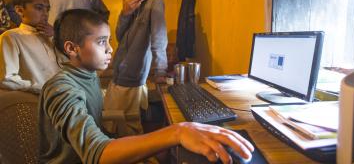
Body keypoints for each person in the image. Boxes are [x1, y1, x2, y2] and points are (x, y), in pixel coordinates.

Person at [38, 9, 254, 164]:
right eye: (102, 42)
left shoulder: (88, 76)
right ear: (72, 48)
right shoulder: (62, 89)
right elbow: (97, 154)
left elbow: (98, 134)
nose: (110, 50)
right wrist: (177, 132)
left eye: (110, 41)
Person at [104, 0, 168, 135]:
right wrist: (125, 13)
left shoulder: (155, 2)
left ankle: (133, 155)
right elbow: (118, 36)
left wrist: (161, 69)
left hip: (133, 72)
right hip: (119, 70)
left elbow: (159, 36)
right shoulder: (130, 4)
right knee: (112, 120)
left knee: (127, 123)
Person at [0, 0, 60, 93]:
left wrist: (56, 37)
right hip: (34, 100)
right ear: (20, 10)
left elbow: (68, 66)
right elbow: (7, 78)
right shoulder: (11, 37)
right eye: (39, 8)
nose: (45, 14)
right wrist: (42, 89)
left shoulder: (51, 37)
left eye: (47, 9)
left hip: (61, 97)